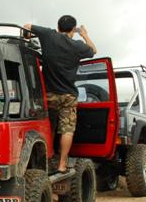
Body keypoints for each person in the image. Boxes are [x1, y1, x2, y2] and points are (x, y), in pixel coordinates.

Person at [22, 16, 97, 172]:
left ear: (58, 26)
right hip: (69, 96)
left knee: (47, 126)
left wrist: (27, 36)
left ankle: (46, 160)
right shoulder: (78, 46)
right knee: (67, 130)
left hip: (48, 95)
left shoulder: (48, 35)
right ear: (73, 29)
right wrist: (84, 35)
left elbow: (27, 26)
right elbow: (93, 50)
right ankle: (62, 164)